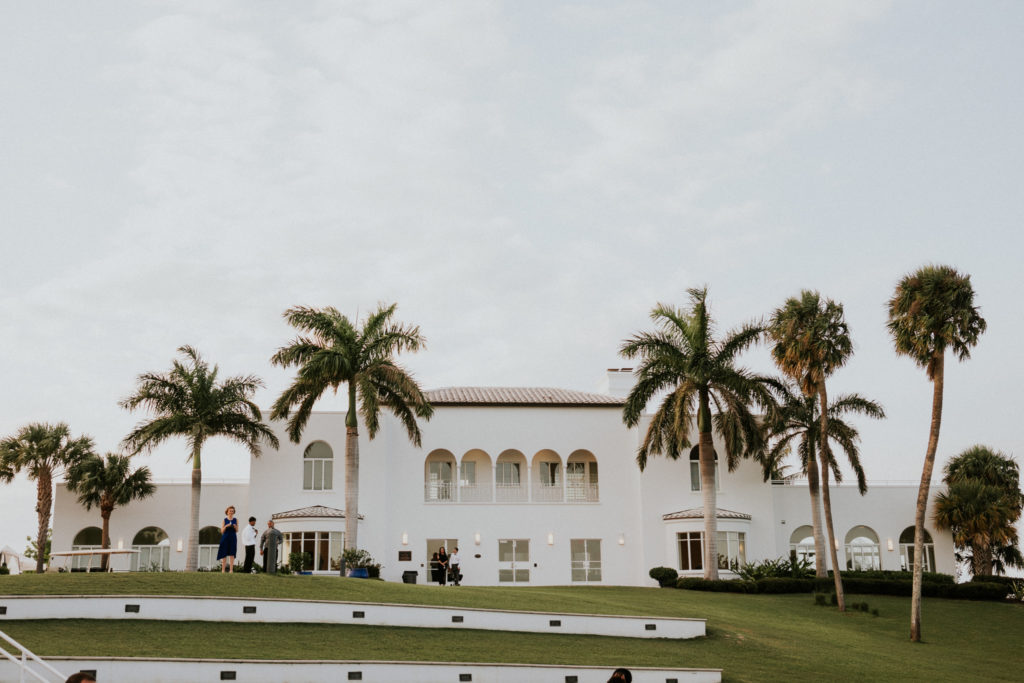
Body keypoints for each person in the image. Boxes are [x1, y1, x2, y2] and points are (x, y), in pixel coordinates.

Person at [217, 505, 239, 573]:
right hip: (225, 537)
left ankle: (231, 570)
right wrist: (226, 526)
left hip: (233, 537)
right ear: (227, 512)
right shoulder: (224, 520)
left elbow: (237, 530)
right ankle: (223, 570)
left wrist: (235, 526)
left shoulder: (236, 520)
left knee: (232, 553)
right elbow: (222, 531)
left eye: (232, 511)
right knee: (224, 553)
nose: (231, 512)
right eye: (230, 511)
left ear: (234, 512)